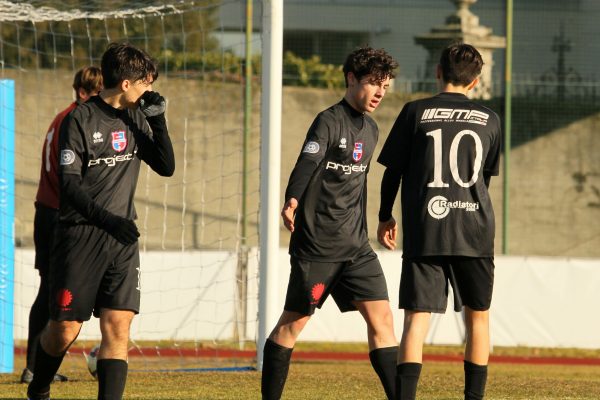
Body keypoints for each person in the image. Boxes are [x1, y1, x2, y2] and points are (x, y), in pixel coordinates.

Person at [26, 42, 175, 400]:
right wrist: (107, 220)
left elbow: (166, 166)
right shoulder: (80, 119)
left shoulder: (137, 117)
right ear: (126, 83)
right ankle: (39, 387)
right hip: (80, 237)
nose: (150, 89)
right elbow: (70, 186)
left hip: (121, 241)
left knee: (118, 328)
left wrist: (158, 120)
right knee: (65, 329)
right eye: (146, 83)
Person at [261, 46, 399, 400]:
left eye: (386, 85)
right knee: (291, 326)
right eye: (373, 83)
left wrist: (380, 222)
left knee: (382, 321)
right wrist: (292, 198)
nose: (380, 92)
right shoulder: (328, 120)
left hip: (356, 247)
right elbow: (306, 163)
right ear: (352, 79)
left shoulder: (372, 128)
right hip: (318, 247)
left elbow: (360, 184)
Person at [376, 43, 501, 400]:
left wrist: (386, 216)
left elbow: (392, 174)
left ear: (437, 72)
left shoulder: (415, 112)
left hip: (426, 230)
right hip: (475, 232)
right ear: (475, 81)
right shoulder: (490, 118)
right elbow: (483, 178)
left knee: (416, 320)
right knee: (478, 319)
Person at [21, 66, 103, 385]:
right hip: (58, 214)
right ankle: (35, 367)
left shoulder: (64, 118)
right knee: (54, 292)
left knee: (52, 290)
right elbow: (70, 177)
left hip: (48, 211)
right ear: (83, 93)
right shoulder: (73, 120)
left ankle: (36, 366)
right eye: (97, 95)